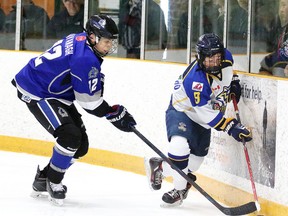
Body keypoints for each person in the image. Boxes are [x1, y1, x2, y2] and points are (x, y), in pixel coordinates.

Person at [11, 15, 136, 205]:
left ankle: (43, 178)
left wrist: (110, 110)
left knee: (81, 146)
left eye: (112, 41)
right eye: (106, 41)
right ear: (93, 37)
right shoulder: (85, 59)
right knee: (70, 136)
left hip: (56, 93)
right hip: (37, 90)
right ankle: (53, 182)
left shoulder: (80, 39)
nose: (110, 46)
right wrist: (113, 114)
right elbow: (89, 103)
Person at [145, 33, 252, 206]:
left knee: (195, 162)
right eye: (208, 59)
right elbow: (206, 114)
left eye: (216, 58)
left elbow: (227, 77)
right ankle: (179, 190)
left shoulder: (228, 58)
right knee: (179, 146)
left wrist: (233, 84)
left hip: (203, 120)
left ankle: (161, 167)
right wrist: (231, 127)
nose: (213, 63)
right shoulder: (195, 80)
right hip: (183, 111)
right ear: (200, 57)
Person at [259, 0, 288, 77]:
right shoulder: (283, 29)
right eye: (280, 6)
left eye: (284, 5)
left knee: (279, 67)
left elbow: (282, 56)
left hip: (282, 67)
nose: (281, 10)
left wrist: (267, 61)